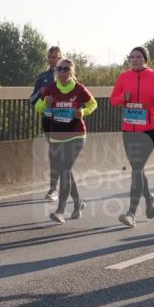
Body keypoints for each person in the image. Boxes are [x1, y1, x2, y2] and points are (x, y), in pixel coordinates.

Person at [110, 47, 154, 227]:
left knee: (137, 169)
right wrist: (124, 97)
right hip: (129, 129)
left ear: (145, 59)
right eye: (132, 57)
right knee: (137, 169)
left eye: (139, 56)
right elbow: (113, 99)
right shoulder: (124, 77)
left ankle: (131, 213)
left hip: (149, 129)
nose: (135, 59)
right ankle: (149, 197)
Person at [35, 58, 97, 222]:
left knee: (65, 170)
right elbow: (38, 107)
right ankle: (78, 203)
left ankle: (60, 210)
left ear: (72, 72)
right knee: (66, 171)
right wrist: (45, 102)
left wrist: (83, 112)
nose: (62, 72)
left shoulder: (79, 89)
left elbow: (93, 104)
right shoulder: (50, 88)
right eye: (60, 69)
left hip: (76, 134)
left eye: (66, 69)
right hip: (57, 135)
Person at [30, 46, 62, 201]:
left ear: (60, 58)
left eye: (54, 57)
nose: (51, 60)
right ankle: (53, 189)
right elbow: (32, 99)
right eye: (49, 57)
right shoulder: (42, 77)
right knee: (55, 152)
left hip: (66, 120)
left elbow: (80, 99)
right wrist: (44, 98)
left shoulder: (69, 77)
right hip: (49, 119)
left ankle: (64, 188)